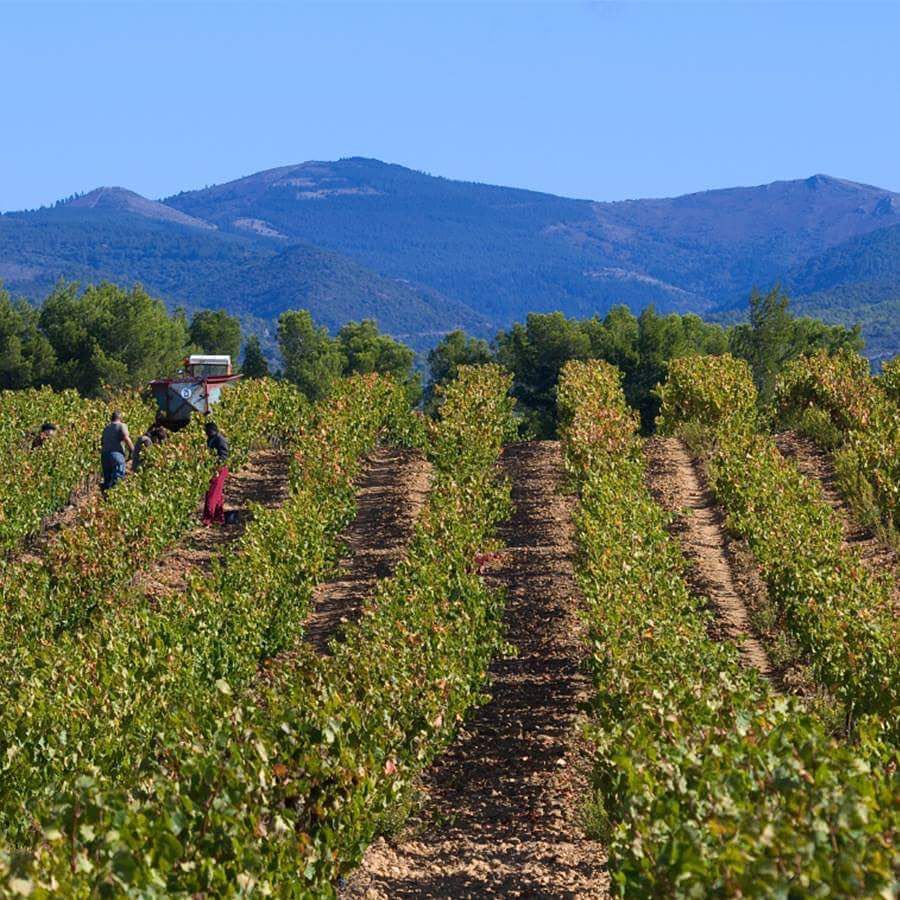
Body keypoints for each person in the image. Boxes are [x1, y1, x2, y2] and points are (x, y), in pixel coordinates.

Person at [202, 421, 229, 525]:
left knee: (212, 494)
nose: (205, 433)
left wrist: (215, 465)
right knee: (216, 494)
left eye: (207, 431)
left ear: (212, 430)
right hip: (212, 468)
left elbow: (224, 456)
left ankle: (208, 520)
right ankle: (218, 518)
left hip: (219, 469)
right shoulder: (210, 439)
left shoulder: (220, 439)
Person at [100, 410, 133, 492]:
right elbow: (126, 438)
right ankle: (112, 498)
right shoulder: (122, 426)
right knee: (117, 479)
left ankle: (105, 498)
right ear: (120, 418)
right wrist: (133, 450)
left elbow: (102, 442)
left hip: (104, 455)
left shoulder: (106, 428)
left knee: (107, 479)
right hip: (116, 455)